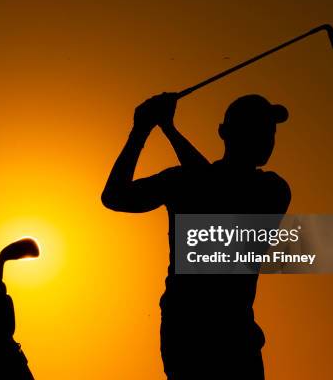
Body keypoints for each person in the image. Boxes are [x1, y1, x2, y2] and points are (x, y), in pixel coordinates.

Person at [101, 92, 291, 379]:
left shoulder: (272, 189)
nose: (267, 138)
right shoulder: (183, 179)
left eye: (270, 131)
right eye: (258, 129)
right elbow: (114, 196)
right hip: (188, 334)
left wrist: (166, 128)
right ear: (225, 134)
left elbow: (220, 196)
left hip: (234, 334)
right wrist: (140, 130)